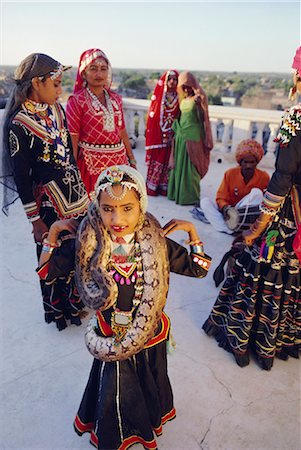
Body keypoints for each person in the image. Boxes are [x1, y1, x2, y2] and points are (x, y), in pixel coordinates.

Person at [37, 165, 212, 449]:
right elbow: (46, 273)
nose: (117, 218)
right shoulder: (88, 240)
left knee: (148, 382)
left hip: (150, 333)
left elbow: (199, 269)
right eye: (107, 209)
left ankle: (146, 424)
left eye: (127, 208)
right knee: (115, 390)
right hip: (110, 334)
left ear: (141, 205)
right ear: (98, 208)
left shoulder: (157, 241)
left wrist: (193, 233)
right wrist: (54, 234)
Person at [202, 46, 301, 371]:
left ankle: (250, 340)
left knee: (261, 261)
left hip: (288, 212)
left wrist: (258, 226)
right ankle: (285, 337)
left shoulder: (296, 118)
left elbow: (283, 177)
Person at [1, 53, 90, 331]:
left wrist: (83, 192)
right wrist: (35, 221)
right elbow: (22, 178)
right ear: (37, 83)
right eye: (55, 84)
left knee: (77, 254)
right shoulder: (20, 125)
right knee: (53, 258)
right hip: (49, 207)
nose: (60, 90)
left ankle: (76, 305)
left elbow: (69, 157)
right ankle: (58, 312)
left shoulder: (58, 111)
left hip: (75, 197)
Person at [66, 48, 136, 195]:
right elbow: (73, 136)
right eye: (93, 69)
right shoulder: (77, 101)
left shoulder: (115, 99)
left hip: (119, 163)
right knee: (95, 210)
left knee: (119, 205)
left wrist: (132, 159)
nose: (99, 74)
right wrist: (72, 168)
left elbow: (122, 130)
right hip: (90, 165)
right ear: (84, 73)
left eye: (103, 69)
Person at [197, 139, 270, 234]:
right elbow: (220, 197)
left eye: (252, 162)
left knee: (257, 192)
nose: (248, 166)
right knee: (204, 202)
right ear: (240, 162)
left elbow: (266, 201)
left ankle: (234, 225)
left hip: (245, 212)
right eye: (245, 162)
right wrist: (225, 208)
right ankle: (229, 229)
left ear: (257, 162)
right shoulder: (230, 174)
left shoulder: (263, 177)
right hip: (229, 211)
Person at [167, 71, 213, 205]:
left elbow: (201, 118)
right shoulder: (183, 99)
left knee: (191, 167)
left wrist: (199, 105)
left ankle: (190, 197)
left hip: (193, 136)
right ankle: (178, 194)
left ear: (193, 85)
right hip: (181, 135)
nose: (186, 89)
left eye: (188, 86)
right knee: (180, 166)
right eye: (183, 86)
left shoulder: (199, 98)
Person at [145, 70, 179, 196]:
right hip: (158, 134)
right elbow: (152, 115)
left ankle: (164, 188)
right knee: (157, 158)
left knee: (167, 160)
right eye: (169, 79)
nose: (172, 81)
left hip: (172, 134)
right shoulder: (160, 96)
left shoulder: (179, 97)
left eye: (175, 79)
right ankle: (152, 187)